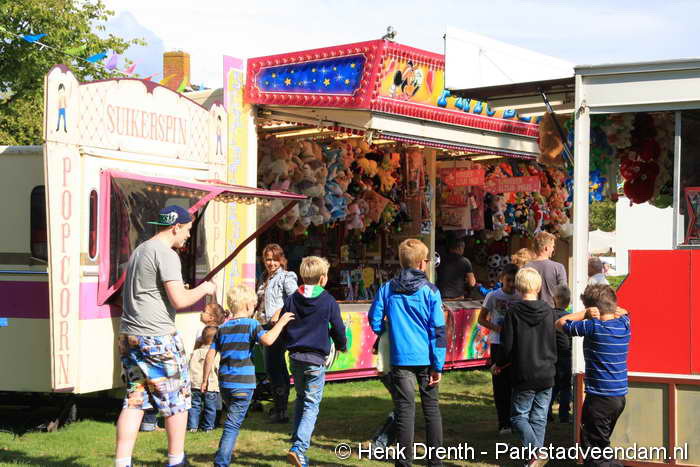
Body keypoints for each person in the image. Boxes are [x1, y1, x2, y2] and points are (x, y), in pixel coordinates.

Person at [115, 205, 217, 467]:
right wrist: (204, 288)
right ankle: (176, 460)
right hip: (157, 338)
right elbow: (180, 300)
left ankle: (122, 462)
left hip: (129, 336)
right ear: (175, 227)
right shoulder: (167, 254)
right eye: (188, 230)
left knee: (134, 400)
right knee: (177, 400)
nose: (188, 235)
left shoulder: (141, 250)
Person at [369, 238, 445, 467]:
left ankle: (404, 463)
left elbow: (374, 319)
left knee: (405, 411)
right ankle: (435, 462)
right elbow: (438, 330)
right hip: (427, 359)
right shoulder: (431, 291)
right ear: (422, 263)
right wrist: (438, 365)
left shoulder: (387, 288)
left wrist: (386, 330)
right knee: (431, 410)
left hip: (400, 358)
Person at [202, 285, 295, 467]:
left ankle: (224, 454)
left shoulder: (222, 328)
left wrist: (205, 380)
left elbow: (210, 356)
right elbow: (268, 340)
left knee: (232, 419)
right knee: (232, 425)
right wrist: (282, 322)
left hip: (225, 384)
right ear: (247, 305)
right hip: (243, 384)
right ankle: (221, 461)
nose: (254, 308)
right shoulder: (252, 325)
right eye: (253, 305)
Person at [283, 256, 347, 467]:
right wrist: (342, 344)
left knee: (301, 398)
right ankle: (299, 448)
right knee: (311, 404)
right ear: (322, 278)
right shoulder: (328, 300)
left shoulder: (292, 298)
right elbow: (338, 327)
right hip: (315, 360)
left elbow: (284, 322)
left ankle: (296, 439)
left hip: (295, 358)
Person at [556, 285, 630, 467]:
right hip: (618, 398)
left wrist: (585, 313)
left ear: (592, 308)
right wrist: (617, 310)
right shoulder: (624, 324)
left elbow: (560, 323)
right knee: (601, 444)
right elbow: (625, 312)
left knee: (593, 451)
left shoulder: (593, 326)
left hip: (599, 399)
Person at [494, 267, 556, 467]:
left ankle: (536, 451)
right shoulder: (549, 311)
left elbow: (507, 345)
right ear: (538, 287)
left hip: (524, 373)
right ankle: (534, 460)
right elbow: (553, 340)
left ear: (518, 287)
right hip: (546, 371)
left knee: (518, 417)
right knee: (539, 417)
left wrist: (499, 364)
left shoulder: (513, 313)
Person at [256, 243, 298, 423]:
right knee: (274, 367)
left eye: (274, 259)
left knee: (274, 367)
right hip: (263, 326)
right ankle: (279, 407)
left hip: (278, 328)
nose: (271, 263)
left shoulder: (287, 276)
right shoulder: (263, 277)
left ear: (281, 260)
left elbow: (295, 298)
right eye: (268, 259)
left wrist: (278, 313)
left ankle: (281, 410)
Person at [478, 263, 520, 435]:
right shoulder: (493, 296)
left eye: (514, 281)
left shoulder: (521, 295)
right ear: (502, 279)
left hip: (517, 344)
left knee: (515, 383)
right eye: (508, 280)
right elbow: (481, 319)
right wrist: (497, 328)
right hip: (498, 343)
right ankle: (504, 422)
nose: (511, 284)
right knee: (500, 384)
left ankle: (516, 420)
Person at [188, 326, 221, 432]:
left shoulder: (195, 352)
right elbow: (218, 369)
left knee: (194, 406)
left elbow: (189, 367)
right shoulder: (216, 354)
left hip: (194, 384)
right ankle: (208, 427)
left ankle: (193, 426)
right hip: (211, 384)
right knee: (210, 408)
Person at [549, 284, 572, 424]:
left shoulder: (549, 315)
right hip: (565, 355)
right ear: (568, 301)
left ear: (554, 298)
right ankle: (564, 415)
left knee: (552, 385)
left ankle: (547, 413)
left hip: (551, 355)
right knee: (565, 387)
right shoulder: (570, 317)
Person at [525, 231, 567, 307]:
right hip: (551, 311)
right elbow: (563, 295)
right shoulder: (558, 268)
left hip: (529, 310)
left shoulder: (525, 268)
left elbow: (519, 292)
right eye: (553, 246)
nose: (553, 249)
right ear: (546, 248)